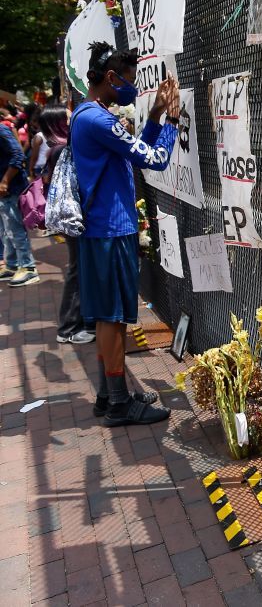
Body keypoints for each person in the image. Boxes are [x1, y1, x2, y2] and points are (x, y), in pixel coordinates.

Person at [73, 41, 179, 426]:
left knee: (109, 316)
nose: (132, 88)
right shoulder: (96, 120)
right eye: (129, 81)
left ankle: (109, 394)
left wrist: (153, 117)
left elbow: (135, 150)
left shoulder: (90, 115)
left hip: (106, 228)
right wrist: (173, 122)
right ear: (112, 78)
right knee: (112, 317)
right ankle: (119, 403)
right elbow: (155, 158)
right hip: (109, 229)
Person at [38, 105, 94, 344]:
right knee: (77, 270)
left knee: (76, 269)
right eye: (68, 119)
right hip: (73, 219)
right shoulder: (62, 149)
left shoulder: (55, 148)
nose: (73, 122)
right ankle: (70, 326)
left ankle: (72, 324)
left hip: (68, 219)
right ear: (57, 124)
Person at [0, 121, 38, 286]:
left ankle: (28, 268)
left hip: (11, 189)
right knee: (5, 230)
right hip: (4, 191)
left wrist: (5, 181)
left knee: (14, 229)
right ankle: (12, 264)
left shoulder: (1, 130)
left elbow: (18, 155)